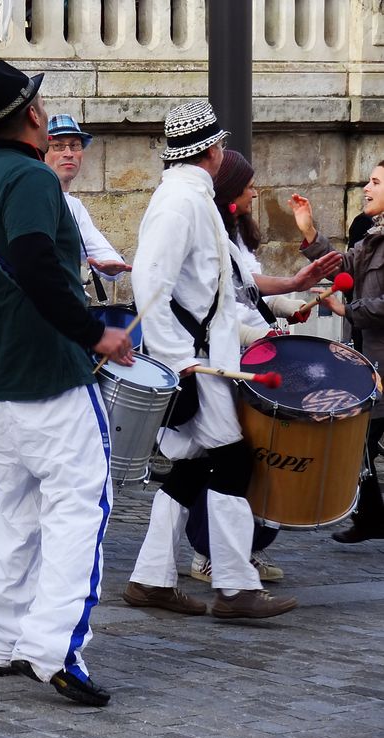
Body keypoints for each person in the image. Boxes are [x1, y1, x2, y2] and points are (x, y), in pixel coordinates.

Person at [0, 60, 133, 707]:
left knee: (14, 507)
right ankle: (54, 646)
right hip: (48, 375)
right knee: (80, 505)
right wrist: (95, 334)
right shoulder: (31, 178)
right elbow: (36, 264)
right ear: (31, 114)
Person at [122, 100, 298, 620]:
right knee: (233, 460)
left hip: (205, 356)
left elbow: (217, 286)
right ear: (212, 151)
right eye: (220, 145)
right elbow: (150, 281)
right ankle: (235, 586)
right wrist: (179, 361)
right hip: (197, 361)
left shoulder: (191, 196)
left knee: (192, 467)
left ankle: (150, 579)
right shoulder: (181, 201)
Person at [187, 149, 341, 583]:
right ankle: (207, 552)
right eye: (249, 186)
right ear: (230, 192)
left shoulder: (236, 234)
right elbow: (212, 308)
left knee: (261, 458)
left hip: (258, 353)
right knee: (223, 459)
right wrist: (258, 336)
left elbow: (253, 291)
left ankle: (246, 547)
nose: (256, 193)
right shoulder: (206, 234)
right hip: (231, 360)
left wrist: (289, 302)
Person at [291, 164, 384, 543]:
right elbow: (343, 266)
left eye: (376, 182)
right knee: (361, 436)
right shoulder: (373, 237)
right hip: (368, 356)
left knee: (363, 435)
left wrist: (352, 309)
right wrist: (309, 231)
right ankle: (372, 517)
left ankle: (372, 516)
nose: (366, 187)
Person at [43, 115, 131, 285]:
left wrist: (112, 265)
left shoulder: (75, 207)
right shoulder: (34, 198)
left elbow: (97, 247)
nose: (68, 154)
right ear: (42, 153)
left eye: (75, 145)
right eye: (58, 146)